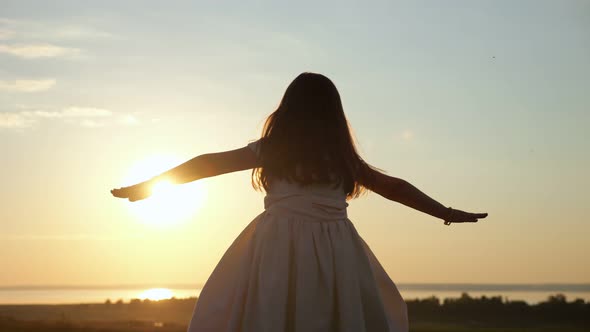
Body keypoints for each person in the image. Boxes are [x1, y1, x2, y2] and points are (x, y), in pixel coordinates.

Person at [111, 72, 488, 332]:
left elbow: (208, 164)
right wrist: (447, 213)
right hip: (335, 248)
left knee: (270, 311)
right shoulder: (340, 158)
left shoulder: (277, 152)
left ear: (288, 110)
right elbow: (395, 187)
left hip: (278, 245)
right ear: (333, 114)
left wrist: (150, 186)